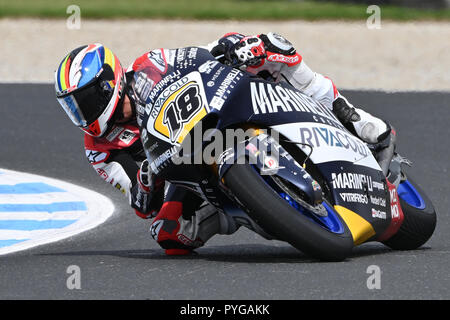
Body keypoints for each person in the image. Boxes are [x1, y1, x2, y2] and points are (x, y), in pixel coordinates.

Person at [54, 33, 393, 255]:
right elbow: (141, 204)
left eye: (82, 100)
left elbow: (195, 56)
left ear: (107, 84)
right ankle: (251, 211)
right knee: (167, 232)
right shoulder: (99, 148)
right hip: (184, 169)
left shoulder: (149, 65)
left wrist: (231, 46)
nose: (80, 113)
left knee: (272, 48)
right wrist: (144, 179)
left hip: (216, 114)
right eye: (71, 106)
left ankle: (353, 118)